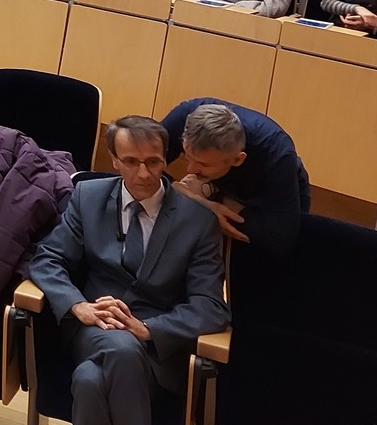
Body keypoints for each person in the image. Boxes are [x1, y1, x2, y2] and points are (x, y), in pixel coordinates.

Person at [29, 115, 229, 425]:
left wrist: (148, 328)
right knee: (120, 349)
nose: (144, 173)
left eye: (153, 161)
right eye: (131, 162)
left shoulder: (198, 221)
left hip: (156, 351)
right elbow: (47, 259)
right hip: (95, 328)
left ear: (165, 159)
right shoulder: (88, 197)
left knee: (89, 380)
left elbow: (211, 306)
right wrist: (78, 305)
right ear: (114, 160)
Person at [160, 99, 311, 257]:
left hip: (268, 197)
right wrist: (194, 199)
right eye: (187, 157)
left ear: (238, 159)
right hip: (220, 187)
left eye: (203, 164)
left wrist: (219, 204)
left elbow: (280, 241)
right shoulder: (186, 119)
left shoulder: (277, 153)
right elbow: (143, 170)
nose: (189, 170)